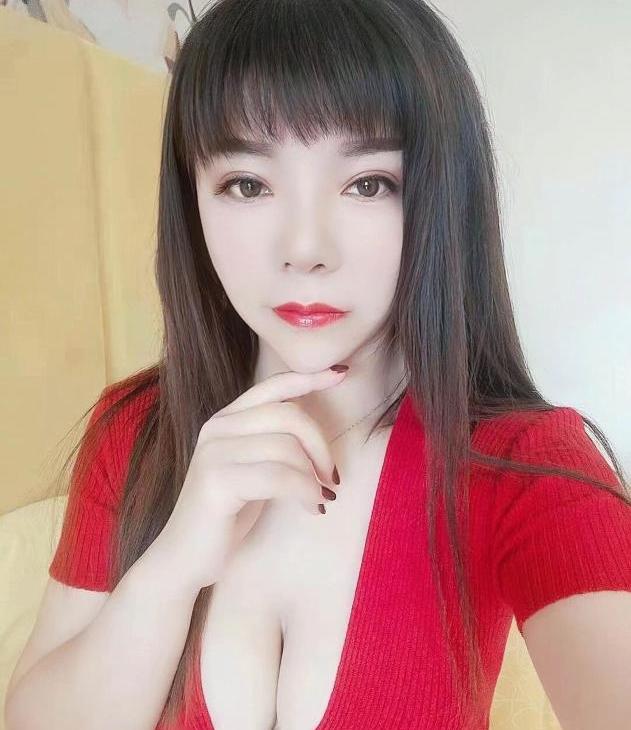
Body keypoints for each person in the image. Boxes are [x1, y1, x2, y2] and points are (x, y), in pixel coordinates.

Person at [6, 1, 631, 729]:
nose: (304, 249)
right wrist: (173, 565)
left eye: (368, 183)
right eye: (247, 184)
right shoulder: (135, 431)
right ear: (192, 200)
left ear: (440, 197)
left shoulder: (522, 462)